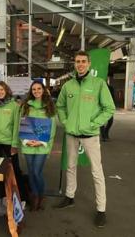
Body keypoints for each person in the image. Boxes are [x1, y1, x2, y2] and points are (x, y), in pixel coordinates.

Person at [56, 50, 115, 228]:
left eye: (83, 61)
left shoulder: (98, 84)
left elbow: (109, 108)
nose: (80, 64)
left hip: (90, 136)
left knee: (97, 172)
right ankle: (69, 197)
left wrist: (93, 124)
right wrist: (66, 122)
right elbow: (60, 105)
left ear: (89, 64)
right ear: (74, 64)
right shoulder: (68, 86)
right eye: (77, 61)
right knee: (71, 167)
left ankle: (101, 210)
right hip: (72, 135)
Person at [20, 81, 56, 211]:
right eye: (34, 89)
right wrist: (26, 141)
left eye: (39, 88)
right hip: (28, 145)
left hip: (42, 145)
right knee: (31, 173)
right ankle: (35, 196)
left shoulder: (49, 106)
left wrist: (42, 142)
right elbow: (22, 125)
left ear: (43, 89)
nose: (36, 91)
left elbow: (52, 128)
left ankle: (41, 195)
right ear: (31, 91)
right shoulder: (26, 106)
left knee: (36, 171)